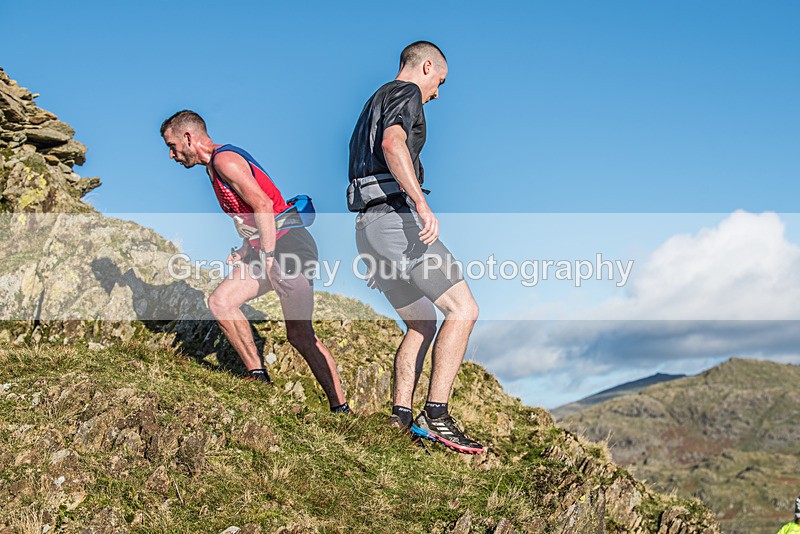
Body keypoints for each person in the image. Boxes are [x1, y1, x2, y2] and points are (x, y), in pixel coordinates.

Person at [161, 110, 351, 413]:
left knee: (300, 335)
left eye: (172, 146)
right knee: (221, 302)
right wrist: (245, 250)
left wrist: (267, 253)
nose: (171, 155)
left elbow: (263, 204)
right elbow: (251, 217)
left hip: (290, 247)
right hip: (268, 248)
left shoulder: (225, 160)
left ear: (188, 137)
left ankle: (341, 409)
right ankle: (257, 376)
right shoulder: (214, 169)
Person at [348, 41, 483, 454]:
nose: (437, 93)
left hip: (368, 226)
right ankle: (437, 414)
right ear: (426, 66)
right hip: (396, 220)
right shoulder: (405, 93)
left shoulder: (371, 103)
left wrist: (375, 250)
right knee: (463, 310)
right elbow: (393, 145)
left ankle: (401, 416)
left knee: (421, 323)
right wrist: (421, 204)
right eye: (439, 82)